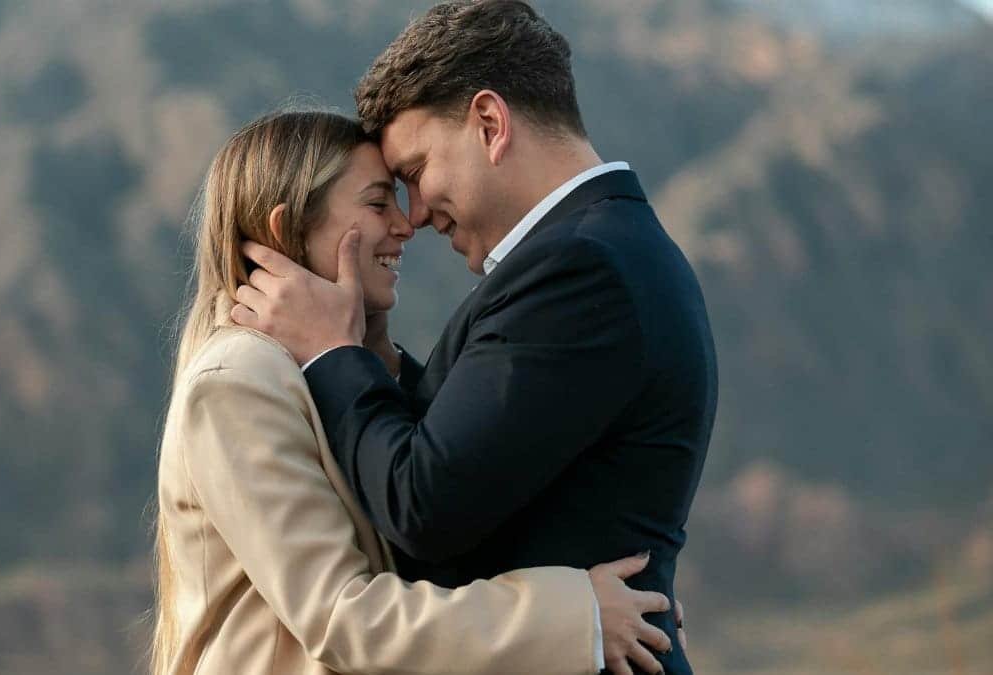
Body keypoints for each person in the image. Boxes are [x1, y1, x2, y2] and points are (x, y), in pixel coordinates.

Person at [231, 2, 718, 674]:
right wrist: (373, 353)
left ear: (489, 123)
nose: (419, 215)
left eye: (416, 173)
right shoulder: (605, 251)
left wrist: (331, 352)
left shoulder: (581, 271)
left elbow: (423, 504)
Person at [151, 110, 679, 675]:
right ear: (285, 231)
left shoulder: (339, 372)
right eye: (378, 204)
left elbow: (436, 521)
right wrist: (580, 619)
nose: (406, 225)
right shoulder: (239, 382)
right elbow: (345, 618)